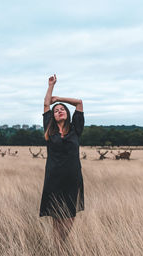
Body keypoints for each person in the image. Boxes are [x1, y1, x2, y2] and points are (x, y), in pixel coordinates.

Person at [39, 74, 85, 243]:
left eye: (62, 109)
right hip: (54, 178)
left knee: (70, 214)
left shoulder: (75, 129)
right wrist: (51, 85)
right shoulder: (49, 129)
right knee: (57, 214)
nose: (59, 111)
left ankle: (62, 241)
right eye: (56, 110)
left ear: (67, 113)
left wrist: (59, 98)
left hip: (73, 177)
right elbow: (45, 104)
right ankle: (57, 245)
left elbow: (79, 102)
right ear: (53, 116)